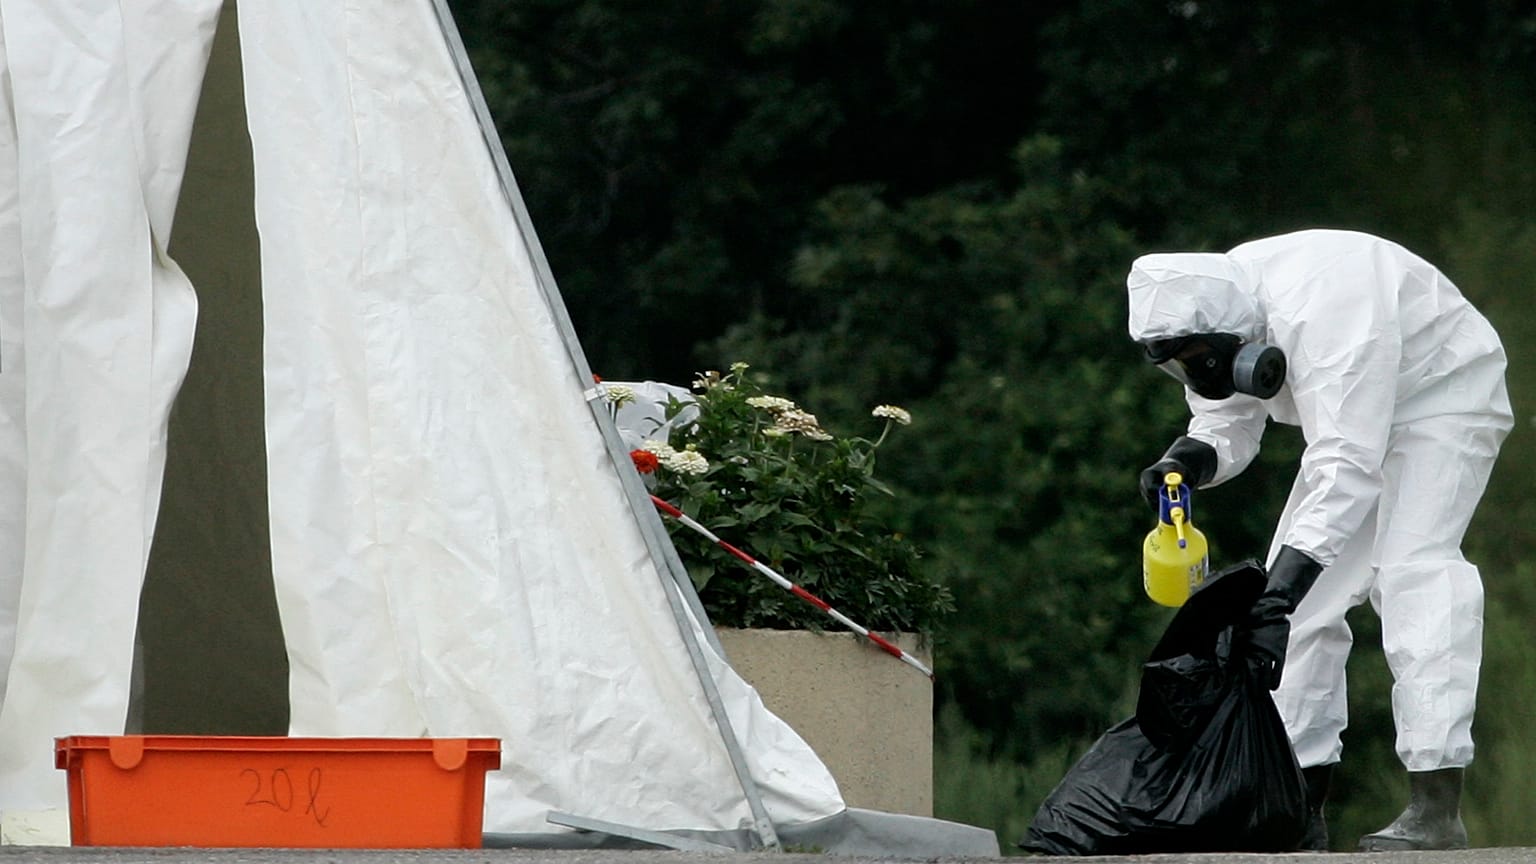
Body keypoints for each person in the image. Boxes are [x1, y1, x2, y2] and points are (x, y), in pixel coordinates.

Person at [1125, 228, 1512, 852]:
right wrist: (1192, 458)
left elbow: (1347, 462)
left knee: (1413, 572)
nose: (1195, 373)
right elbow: (1228, 416)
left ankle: (1436, 804)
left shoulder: (1328, 307)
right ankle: (1297, 810)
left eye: (1199, 360)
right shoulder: (1218, 306)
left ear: (1237, 338)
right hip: (1351, 430)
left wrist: (1285, 582)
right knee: (1297, 611)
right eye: (1181, 366)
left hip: (1443, 396)